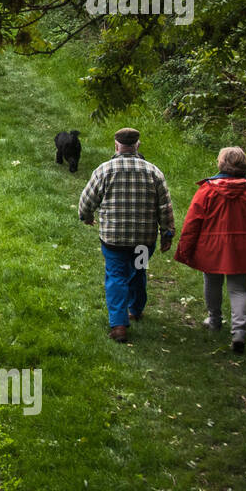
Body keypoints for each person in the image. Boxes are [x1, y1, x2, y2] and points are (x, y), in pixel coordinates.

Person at [78, 127, 175, 343]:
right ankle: (136, 309)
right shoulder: (153, 172)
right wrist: (167, 233)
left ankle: (119, 324)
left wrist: (86, 216)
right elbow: (165, 207)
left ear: (116, 145)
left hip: (114, 240)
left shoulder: (104, 170)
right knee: (138, 271)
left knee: (116, 276)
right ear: (137, 145)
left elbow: (87, 201)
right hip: (143, 241)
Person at [173, 147, 246, 354]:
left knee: (212, 282)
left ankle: (215, 320)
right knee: (239, 290)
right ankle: (239, 333)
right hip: (244, 246)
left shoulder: (207, 190)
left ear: (221, 163)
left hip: (212, 246)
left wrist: (186, 248)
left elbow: (192, 222)